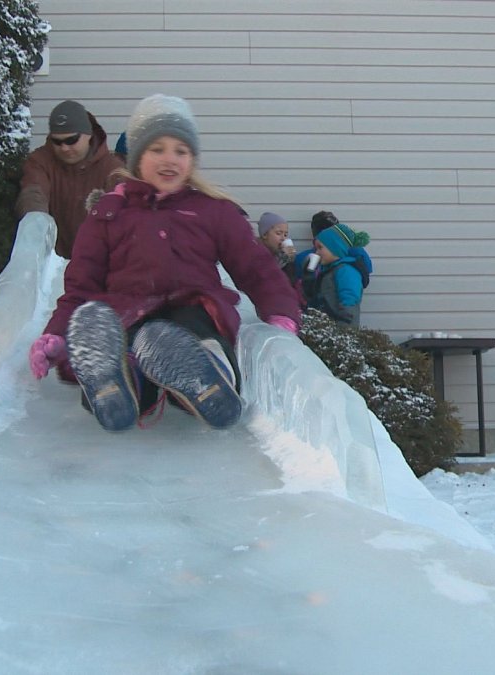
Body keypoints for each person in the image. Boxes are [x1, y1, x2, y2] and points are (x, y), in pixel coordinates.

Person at [27, 94, 301, 432]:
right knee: (112, 332)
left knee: (195, 334)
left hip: (192, 307)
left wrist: (281, 310)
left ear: (192, 160)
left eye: (180, 151)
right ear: (137, 156)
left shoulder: (212, 211)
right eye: (157, 149)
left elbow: (255, 265)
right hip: (126, 313)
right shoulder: (109, 213)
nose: (169, 159)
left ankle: (209, 375)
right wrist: (56, 335)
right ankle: (112, 386)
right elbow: (81, 284)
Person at [15, 100, 124, 258]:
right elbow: (33, 193)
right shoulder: (40, 161)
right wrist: (36, 224)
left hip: (98, 265)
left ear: (88, 135)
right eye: (57, 141)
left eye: (71, 140)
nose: (64, 148)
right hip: (52, 263)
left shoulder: (112, 169)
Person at [304, 222, 371, 327]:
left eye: (320, 248)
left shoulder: (346, 271)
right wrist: (308, 275)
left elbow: (350, 300)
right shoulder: (327, 270)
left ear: (335, 248)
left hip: (340, 328)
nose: (317, 252)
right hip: (325, 327)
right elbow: (313, 296)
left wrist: (345, 330)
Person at [256, 211, 297, 283]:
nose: (283, 238)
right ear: (264, 234)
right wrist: (282, 259)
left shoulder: (279, 254)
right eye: (279, 233)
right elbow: (263, 279)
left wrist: (289, 262)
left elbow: (290, 285)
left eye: (285, 235)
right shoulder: (255, 253)